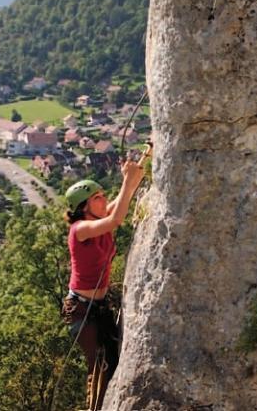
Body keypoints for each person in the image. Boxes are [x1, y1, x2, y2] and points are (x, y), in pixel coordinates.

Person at [61, 149, 147, 410]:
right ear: (83, 207)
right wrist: (127, 179)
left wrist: (142, 161)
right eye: (97, 198)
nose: (103, 200)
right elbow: (117, 218)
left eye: (102, 196)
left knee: (113, 359)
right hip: (81, 310)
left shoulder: (98, 218)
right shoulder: (81, 230)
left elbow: (125, 197)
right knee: (99, 369)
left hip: (97, 307)